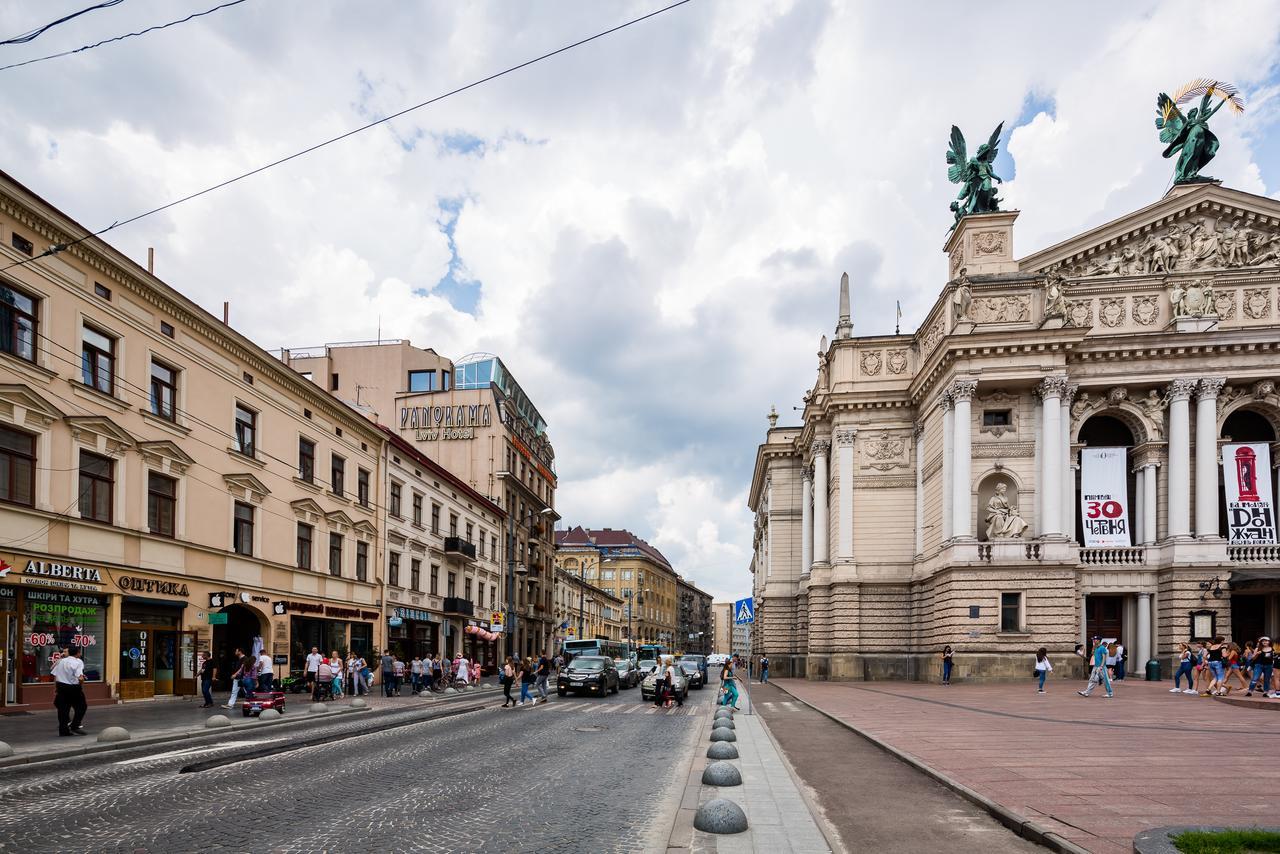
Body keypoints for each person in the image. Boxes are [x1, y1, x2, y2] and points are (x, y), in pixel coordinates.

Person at [51, 645, 88, 736]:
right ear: (77, 653)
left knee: (63, 709)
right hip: (73, 687)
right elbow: (80, 677)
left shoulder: (61, 661)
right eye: (79, 652)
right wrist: (80, 685)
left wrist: (56, 687)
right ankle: (75, 725)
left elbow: (54, 673)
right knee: (82, 706)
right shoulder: (78, 662)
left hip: (61, 687)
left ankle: (63, 730)